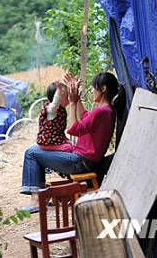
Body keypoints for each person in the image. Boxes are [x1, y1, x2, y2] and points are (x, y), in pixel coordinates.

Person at [20, 71, 121, 212]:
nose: (92, 91)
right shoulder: (106, 110)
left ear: (103, 89)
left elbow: (74, 129)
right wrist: (77, 97)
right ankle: (40, 195)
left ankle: (37, 200)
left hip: (81, 162)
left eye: (94, 87)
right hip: (84, 160)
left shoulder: (102, 111)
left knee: (31, 153)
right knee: (36, 151)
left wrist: (73, 103)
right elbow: (85, 116)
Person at [36, 81, 72, 153]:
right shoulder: (52, 110)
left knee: (70, 144)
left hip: (54, 140)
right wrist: (58, 91)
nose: (69, 99)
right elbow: (55, 104)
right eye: (66, 97)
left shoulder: (60, 109)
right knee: (69, 148)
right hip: (48, 142)